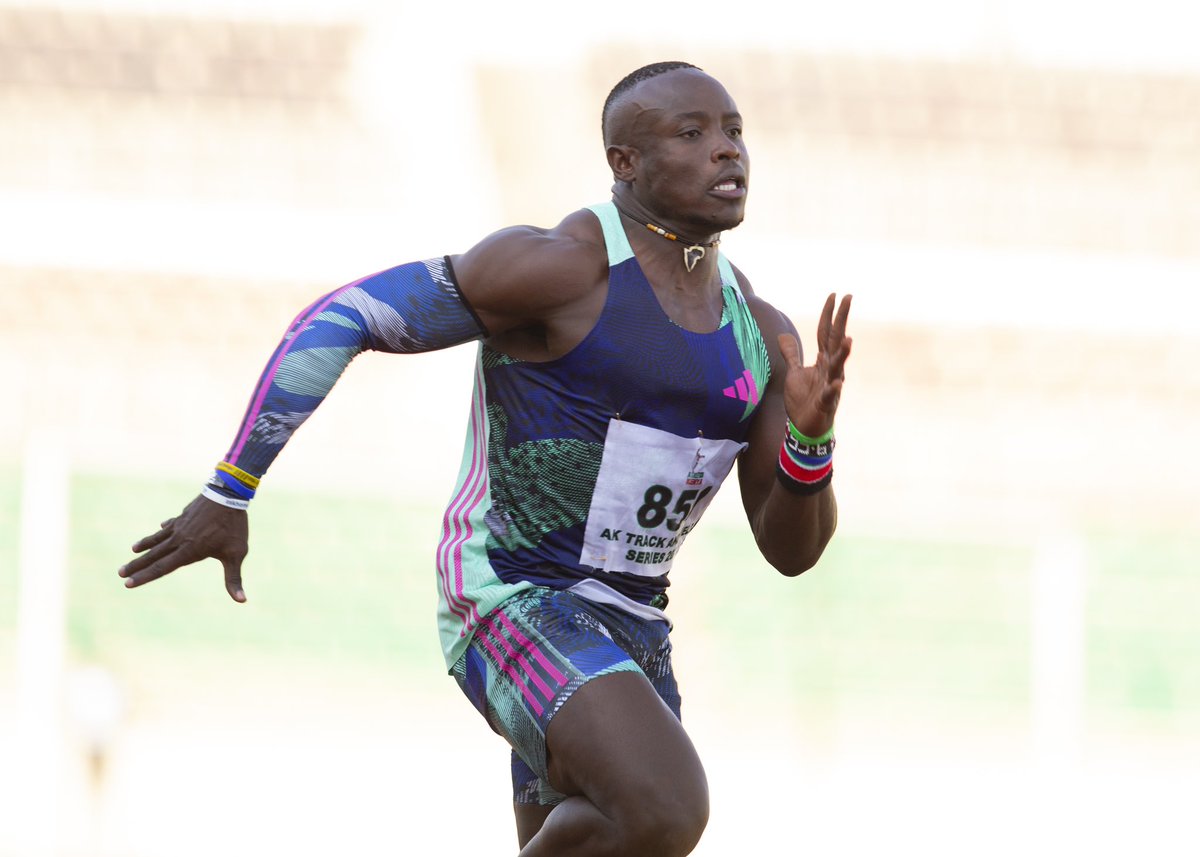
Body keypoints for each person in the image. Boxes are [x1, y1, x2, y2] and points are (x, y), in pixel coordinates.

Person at [118, 60, 852, 856]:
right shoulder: (561, 268)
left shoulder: (761, 333)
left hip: (634, 622)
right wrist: (231, 489)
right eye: (694, 133)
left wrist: (811, 439)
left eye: (735, 132)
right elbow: (347, 314)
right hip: (512, 593)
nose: (726, 151)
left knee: (619, 831)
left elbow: (792, 551)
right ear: (624, 162)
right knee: (665, 807)